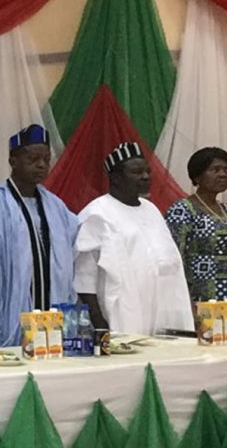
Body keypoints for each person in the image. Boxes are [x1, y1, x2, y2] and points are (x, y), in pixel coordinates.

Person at [0, 124, 79, 347]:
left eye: (46, 159)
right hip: (2, 321)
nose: (41, 165)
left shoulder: (57, 207)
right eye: (33, 159)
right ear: (13, 161)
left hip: (52, 324)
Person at [74, 142, 193, 334]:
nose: (145, 177)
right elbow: (84, 276)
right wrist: (99, 322)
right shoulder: (97, 213)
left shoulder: (151, 209)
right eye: (137, 172)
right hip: (122, 314)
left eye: (147, 171)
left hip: (163, 310)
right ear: (115, 178)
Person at [165, 147, 227, 303]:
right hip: (197, 294)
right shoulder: (182, 210)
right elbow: (174, 256)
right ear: (197, 176)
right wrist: (183, 298)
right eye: (215, 170)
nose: (223, 174)